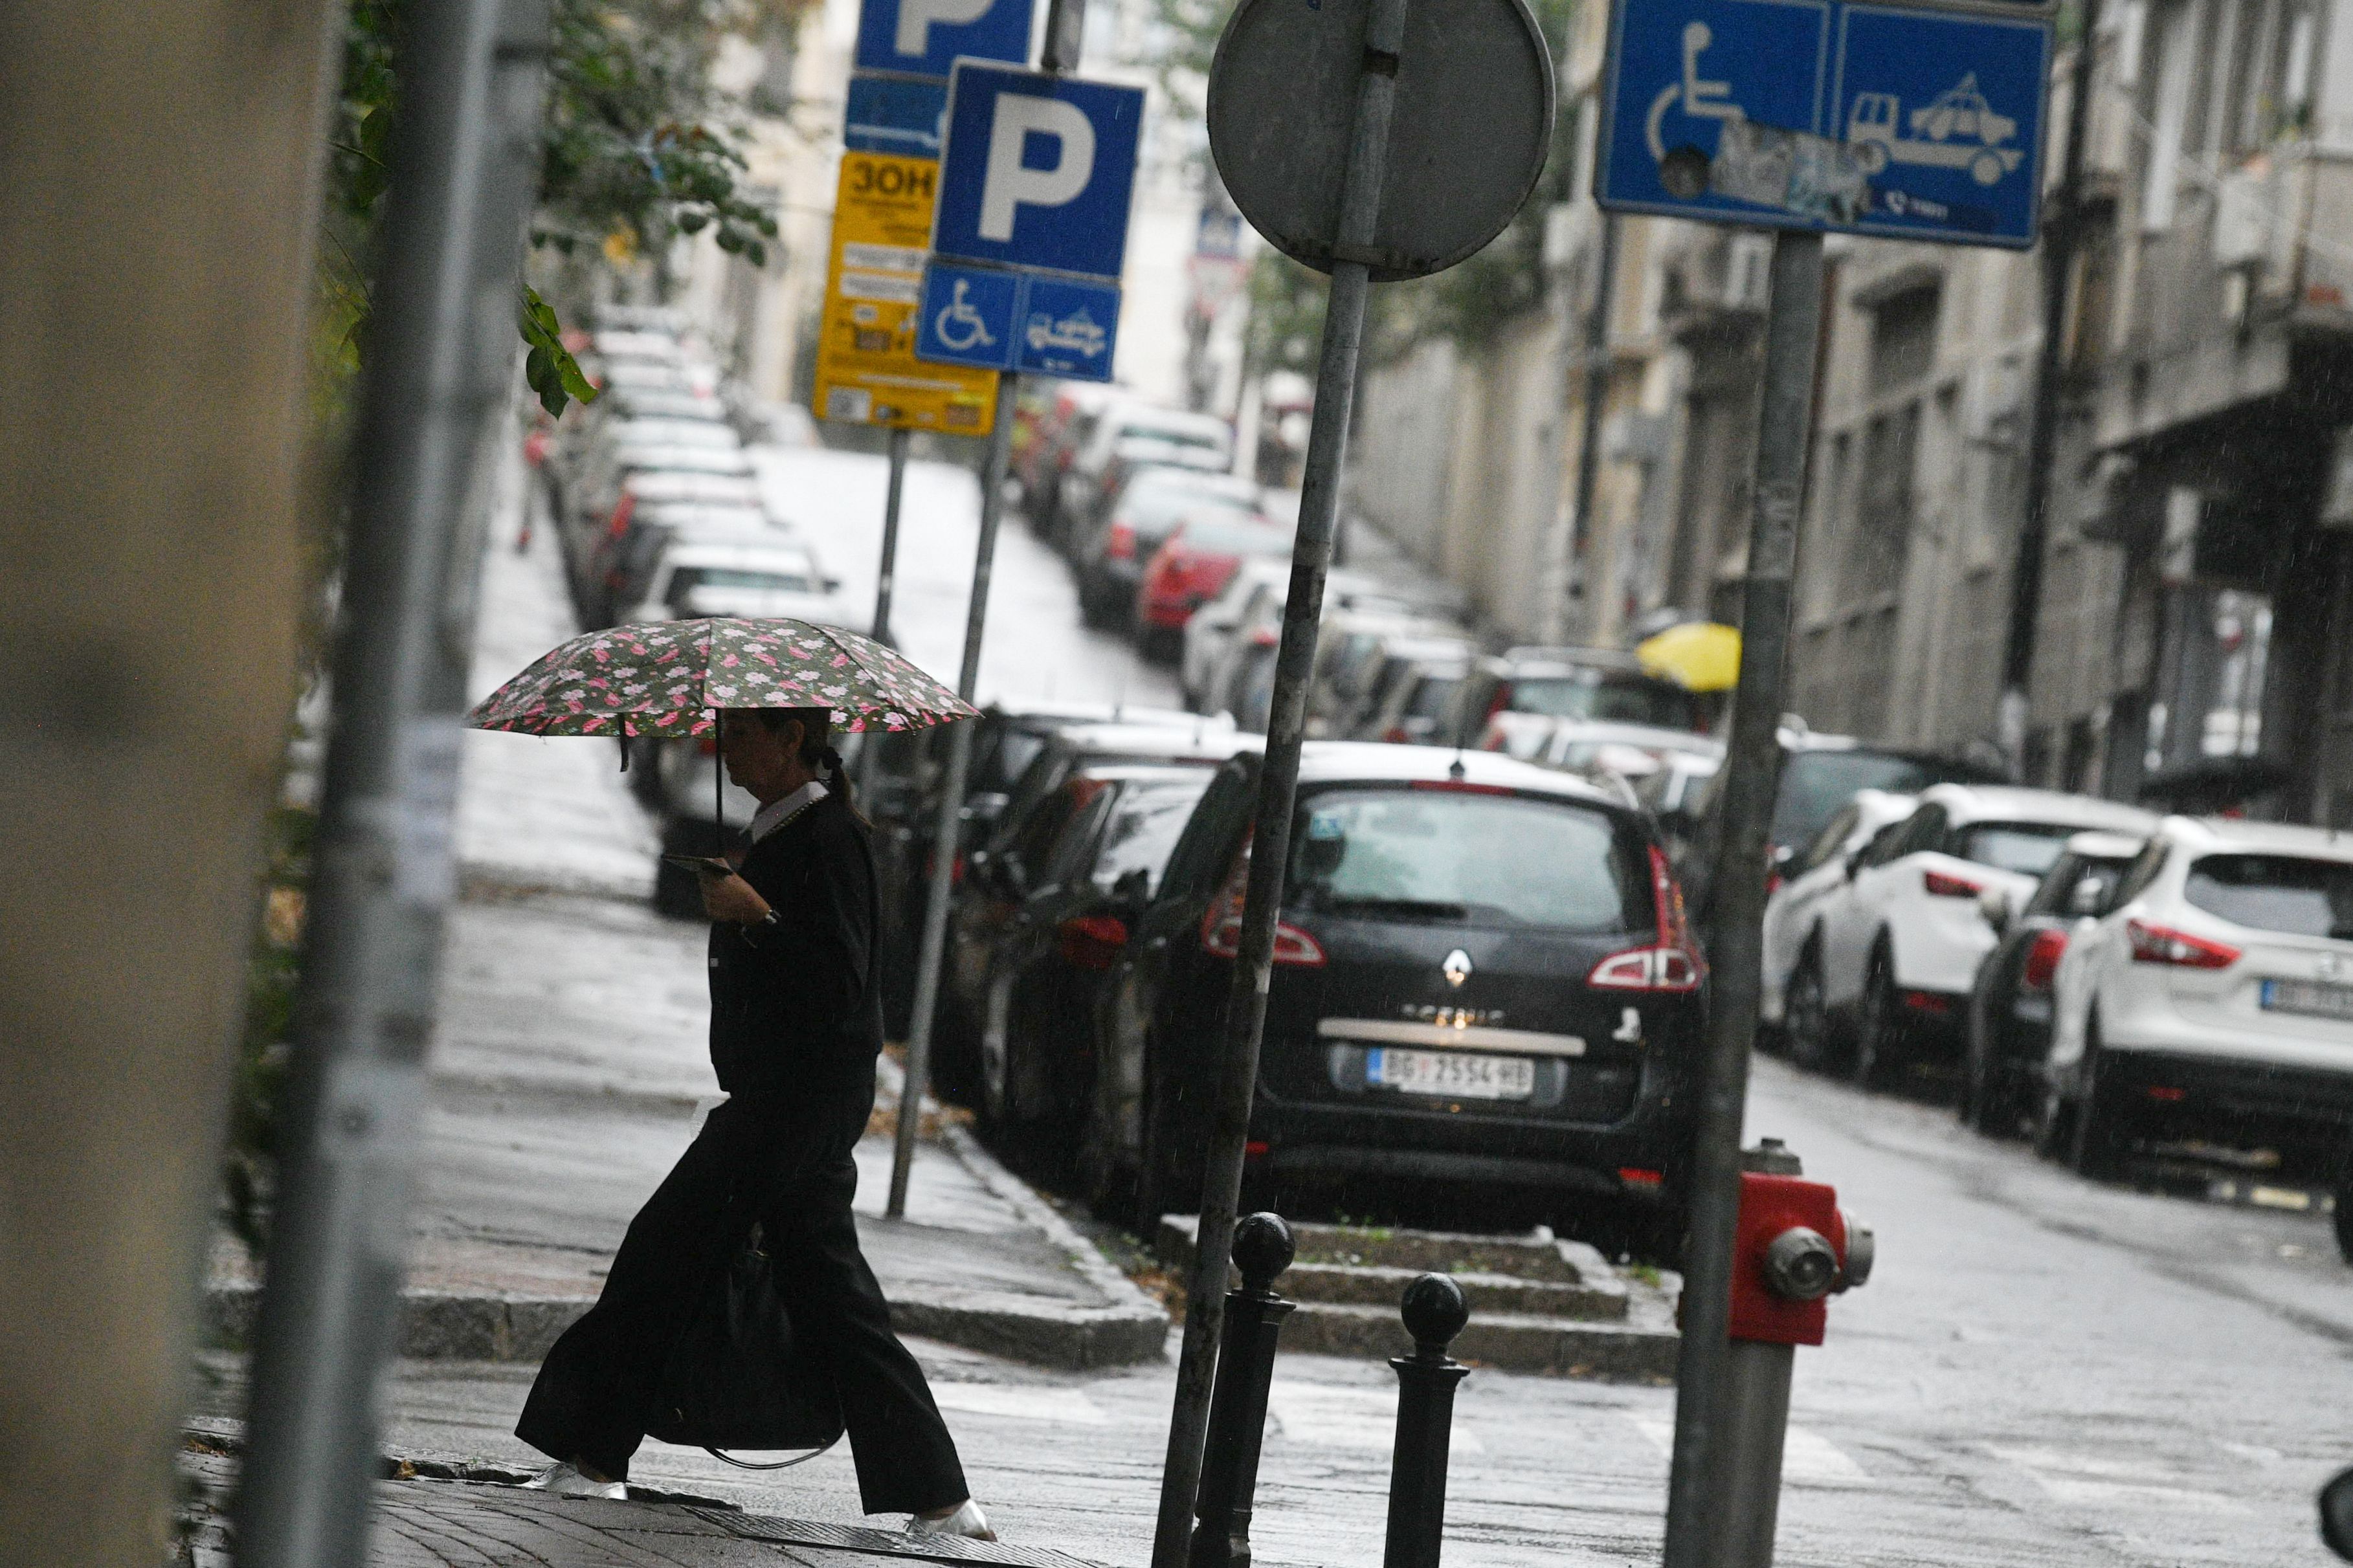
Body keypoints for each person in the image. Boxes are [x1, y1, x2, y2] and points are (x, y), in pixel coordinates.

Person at [515, 705, 993, 1540]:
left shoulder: (829, 838)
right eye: (724, 735)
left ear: (792, 742)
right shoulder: (786, 833)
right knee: (814, 1287)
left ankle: (592, 1458)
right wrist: (743, 910)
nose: (725, 752)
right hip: (782, 1103)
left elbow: (841, 991)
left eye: (741, 736)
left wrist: (754, 917)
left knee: (666, 1254)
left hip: (795, 1108)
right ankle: (942, 1499)